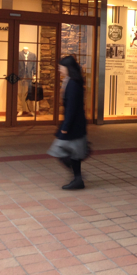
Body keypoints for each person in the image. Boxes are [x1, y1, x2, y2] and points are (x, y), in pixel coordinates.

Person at [47, 56, 88, 189]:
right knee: (74, 153)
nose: (59, 70)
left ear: (68, 68)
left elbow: (71, 107)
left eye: (61, 67)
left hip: (73, 124)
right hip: (75, 123)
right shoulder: (71, 81)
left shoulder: (73, 83)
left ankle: (78, 178)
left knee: (58, 149)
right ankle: (78, 179)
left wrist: (65, 127)